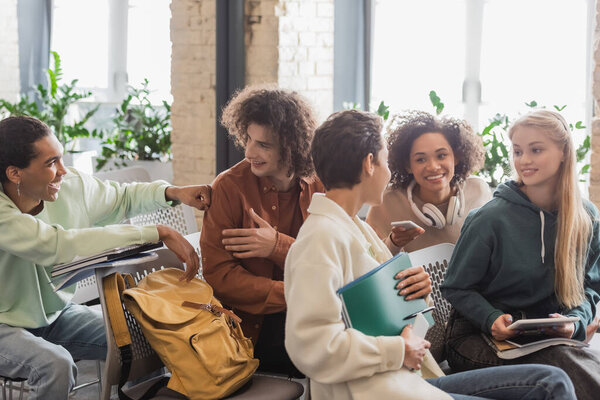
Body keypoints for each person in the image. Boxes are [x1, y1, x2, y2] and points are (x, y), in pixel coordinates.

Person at [284, 109, 577, 400]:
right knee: (552, 386)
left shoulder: (355, 229)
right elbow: (311, 345)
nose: (389, 172)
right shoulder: (319, 239)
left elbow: (396, 324)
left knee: (551, 381)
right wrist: (398, 350)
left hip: (403, 380)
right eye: (386, 161)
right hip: (375, 390)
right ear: (370, 164)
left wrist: (418, 297)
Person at [0, 115, 211, 399]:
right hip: (4, 325)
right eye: (51, 163)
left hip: (54, 316)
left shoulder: (68, 185)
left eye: (60, 158)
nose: (64, 170)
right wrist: (156, 232)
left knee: (149, 334)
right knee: (56, 365)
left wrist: (172, 192)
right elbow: (54, 244)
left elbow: (122, 197)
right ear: (15, 174)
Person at [441, 110, 600, 400]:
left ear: (564, 152)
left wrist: (575, 322)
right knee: (565, 365)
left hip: (543, 338)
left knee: (573, 361)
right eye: (517, 151)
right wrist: (490, 318)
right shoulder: (490, 219)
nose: (524, 160)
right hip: (477, 338)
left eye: (535, 150)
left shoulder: (585, 218)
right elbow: (455, 287)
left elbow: (590, 286)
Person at [199, 86, 325, 376]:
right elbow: (220, 276)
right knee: (344, 354)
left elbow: (333, 257)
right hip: (252, 329)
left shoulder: (320, 183)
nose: (249, 152)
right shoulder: (229, 187)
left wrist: (277, 246)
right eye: (249, 140)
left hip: (315, 313)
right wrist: (296, 293)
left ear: (292, 147)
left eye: (264, 145)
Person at [367, 110, 491, 254]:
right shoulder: (386, 203)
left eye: (441, 155)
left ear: (456, 157)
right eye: (420, 159)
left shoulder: (478, 190)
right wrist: (394, 243)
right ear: (408, 165)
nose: (433, 167)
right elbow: (370, 261)